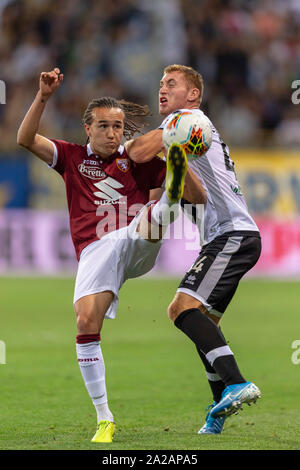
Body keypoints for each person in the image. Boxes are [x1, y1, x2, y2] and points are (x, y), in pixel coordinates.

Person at [17, 68, 206, 443]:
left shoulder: (138, 159)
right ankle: (104, 418)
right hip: (95, 252)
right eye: (103, 126)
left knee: (149, 220)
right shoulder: (71, 157)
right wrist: (43, 96)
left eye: (118, 127)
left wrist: (174, 163)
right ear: (87, 128)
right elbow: (25, 139)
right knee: (86, 321)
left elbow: (199, 199)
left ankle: (169, 192)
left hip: (136, 240)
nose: (112, 133)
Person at [127, 64, 262, 435]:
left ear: (193, 95)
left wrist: (117, 151)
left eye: (171, 84)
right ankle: (217, 412)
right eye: (160, 84)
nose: (162, 89)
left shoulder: (188, 120)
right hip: (231, 236)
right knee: (207, 324)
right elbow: (186, 191)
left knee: (181, 308)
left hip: (230, 235)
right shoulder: (183, 137)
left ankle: (236, 383)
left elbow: (137, 152)